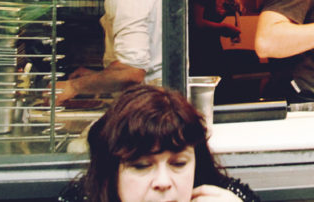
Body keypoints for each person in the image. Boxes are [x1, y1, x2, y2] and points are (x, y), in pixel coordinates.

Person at [58, 84, 259, 202]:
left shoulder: (228, 196)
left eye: (179, 163)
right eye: (141, 166)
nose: (163, 182)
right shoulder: (82, 197)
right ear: (112, 171)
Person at [56, 0, 162, 105]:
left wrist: (74, 86)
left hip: (146, 104)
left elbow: (131, 71)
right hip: (148, 98)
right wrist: (96, 78)